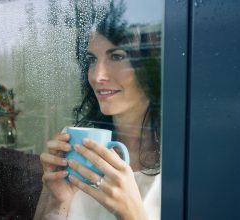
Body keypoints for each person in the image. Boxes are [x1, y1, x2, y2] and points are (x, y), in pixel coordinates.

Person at [34, 1, 161, 219]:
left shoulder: (182, 164)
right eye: (92, 59)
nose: (97, 76)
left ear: (150, 66)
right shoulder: (73, 146)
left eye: (118, 56)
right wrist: (58, 200)